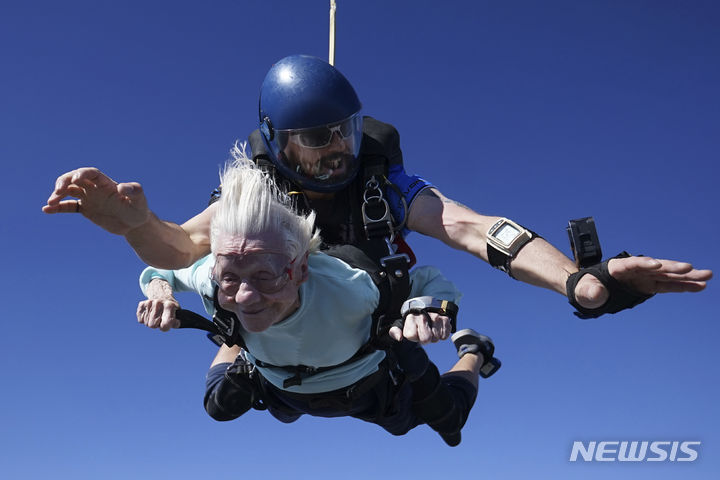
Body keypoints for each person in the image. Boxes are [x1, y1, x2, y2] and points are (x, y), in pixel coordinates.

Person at [43, 54, 712, 327]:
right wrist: (134, 224)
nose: (338, 150)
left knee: (418, 377)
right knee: (233, 331)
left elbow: (475, 229)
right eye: (316, 138)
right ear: (278, 143)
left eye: (346, 131)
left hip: (378, 330)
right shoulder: (258, 188)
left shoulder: (380, 183)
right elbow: (181, 245)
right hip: (278, 321)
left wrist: (582, 284)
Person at [137, 154, 497, 446]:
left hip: (366, 383)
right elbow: (162, 269)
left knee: (450, 422)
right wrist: (160, 293)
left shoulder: (352, 288)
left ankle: (473, 350)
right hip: (278, 383)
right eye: (230, 276)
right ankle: (240, 343)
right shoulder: (213, 277)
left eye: (265, 276)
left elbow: (429, 281)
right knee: (218, 406)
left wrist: (430, 307)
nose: (245, 292)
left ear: (301, 269)